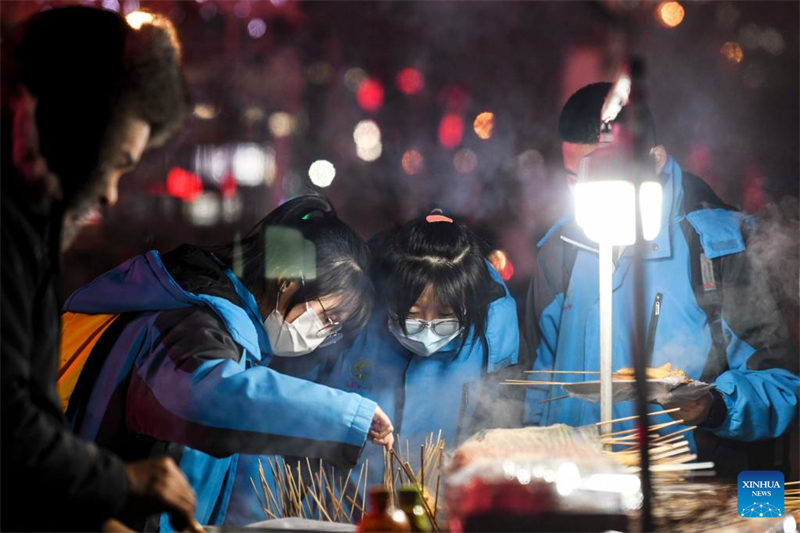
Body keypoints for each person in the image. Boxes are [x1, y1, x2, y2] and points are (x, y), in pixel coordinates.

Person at [58, 195, 395, 530]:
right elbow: (208, 397)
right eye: (328, 317)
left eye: (334, 329)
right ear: (287, 281)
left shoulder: (228, 327)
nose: (323, 334)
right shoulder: (192, 321)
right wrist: (348, 416)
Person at [523, 82, 799, 477]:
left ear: (653, 161)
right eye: (575, 177)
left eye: (605, 173)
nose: (588, 190)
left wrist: (714, 407)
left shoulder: (717, 244)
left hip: (688, 492)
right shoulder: (559, 250)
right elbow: (537, 386)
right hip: (578, 488)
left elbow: (784, 385)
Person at [1, 7, 199, 531]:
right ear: (75, 129)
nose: (110, 194)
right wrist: (122, 483)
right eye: (114, 164)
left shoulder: (30, 231)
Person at [273, 210, 521, 490]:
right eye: (412, 314)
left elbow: (499, 424)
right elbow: (291, 403)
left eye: (444, 316)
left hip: (443, 502)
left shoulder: (493, 329)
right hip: (343, 501)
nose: (427, 328)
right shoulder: (351, 313)